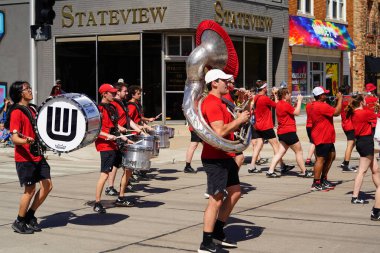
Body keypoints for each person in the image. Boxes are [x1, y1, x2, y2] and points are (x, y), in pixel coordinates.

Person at [197, 69, 250, 252]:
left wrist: (245, 107)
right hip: (215, 157)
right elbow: (220, 131)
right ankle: (206, 242)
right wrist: (240, 119)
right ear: (214, 83)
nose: (228, 83)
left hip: (226, 155)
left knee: (235, 192)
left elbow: (234, 122)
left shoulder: (221, 102)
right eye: (224, 81)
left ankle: (218, 233)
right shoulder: (211, 103)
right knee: (216, 199)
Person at [8, 81, 53, 233]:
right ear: (20, 93)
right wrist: (25, 140)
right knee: (30, 190)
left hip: (37, 155)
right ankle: (19, 221)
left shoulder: (32, 109)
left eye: (29, 88)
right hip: (25, 158)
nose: (30, 91)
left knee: (48, 186)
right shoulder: (16, 112)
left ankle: (30, 216)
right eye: (27, 89)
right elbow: (14, 138)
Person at [93, 83, 134, 213]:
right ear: (104, 94)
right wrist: (107, 135)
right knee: (104, 175)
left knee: (128, 168)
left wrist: (124, 137)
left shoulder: (111, 107)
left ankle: (121, 197)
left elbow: (115, 127)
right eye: (111, 92)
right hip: (105, 145)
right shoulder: (98, 109)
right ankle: (97, 202)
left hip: (115, 143)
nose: (114, 94)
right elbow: (94, 130)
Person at [105, 82, 144, 196]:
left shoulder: (123, 103)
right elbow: (112, 121)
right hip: (118, 136)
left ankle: (124, 184)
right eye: (125, 91)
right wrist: (118, 128)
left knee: (123, 162)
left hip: (124, 135)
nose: (127, 93)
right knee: (116, 163)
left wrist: (139, 129)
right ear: (118, 92)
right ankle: (110, 187)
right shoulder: (114, 104)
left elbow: (129, 120)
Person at [248, 81, 294, 174]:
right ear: (264, 89)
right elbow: (277, 105)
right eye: (266, 87)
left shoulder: (256, 97)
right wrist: (275, 94)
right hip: (266, 126)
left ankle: (252, 165)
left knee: (258, 145)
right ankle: (281, 166)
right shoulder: (264, 98)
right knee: (276, 145)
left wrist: (272, 97)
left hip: (257, 125)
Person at [265, 88, 313, 178]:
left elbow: (289, 110)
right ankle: (304, 171)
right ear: (284, 95)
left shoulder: (278, 104)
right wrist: (299, 101)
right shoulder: (285, 104)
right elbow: (297, 112)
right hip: (289, 132)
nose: (290, 95)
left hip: (282, 132)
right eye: (288, 94)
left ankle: (270, 171)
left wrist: (293, 104)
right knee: (299, 152)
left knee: (280, 153)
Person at [345, 94, 380, 206]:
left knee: (375, 169)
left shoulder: (354, 113)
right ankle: (355, 196)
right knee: (362, 171)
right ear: (361, 102)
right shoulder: (365, 113)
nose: (366, 101)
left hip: (361, 142)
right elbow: (376, 116)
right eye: (364, 100)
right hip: (366, 142)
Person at [309, 86, 342, 191]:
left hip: (326, 136)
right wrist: (340, 99)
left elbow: (331, 110)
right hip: (322, 136)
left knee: (332, 156)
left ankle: (323, 179)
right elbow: (336, 113)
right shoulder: (321, 106)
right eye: (324, 94)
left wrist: (336, 102)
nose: (326, 95)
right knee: (320, 159)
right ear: (320, 96)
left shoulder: (316, 105)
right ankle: (316, 182)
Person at [339, 86, 357, 173]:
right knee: (350, 144)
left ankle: (345, 161)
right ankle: (346, 165)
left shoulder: (340, 100)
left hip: (344, 124)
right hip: (349, 125)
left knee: (353, 142)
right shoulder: (348, 100)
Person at [304, 98, 315, 167]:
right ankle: (308, 159)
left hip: (308, 126)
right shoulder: (315, 105)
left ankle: (317, 158)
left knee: (314, 143)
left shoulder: (308, 105)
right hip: (313, 126)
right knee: (313, 143)